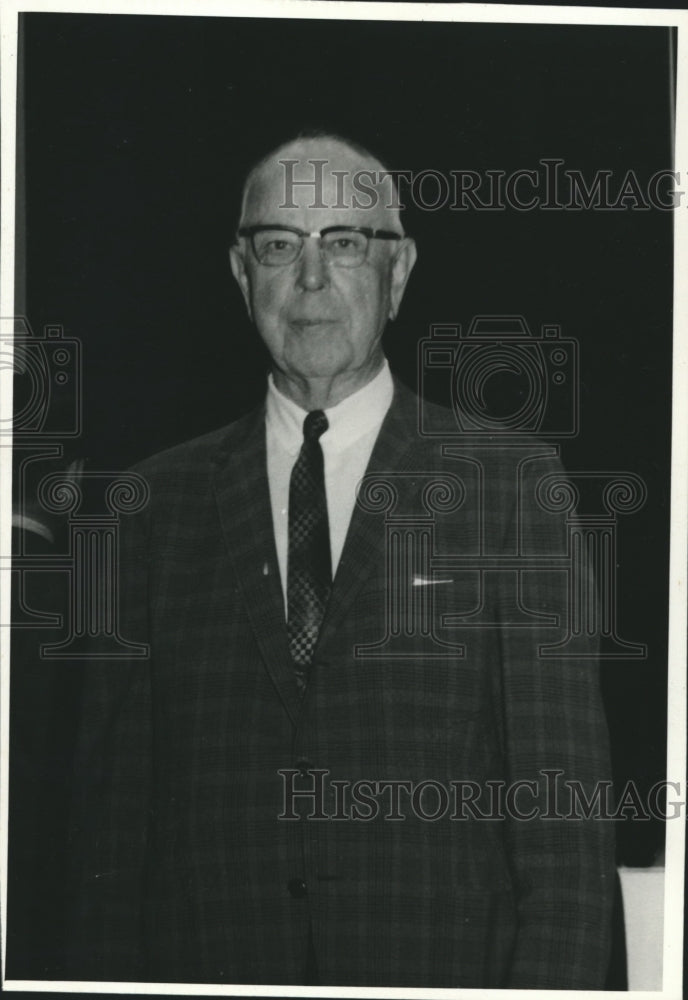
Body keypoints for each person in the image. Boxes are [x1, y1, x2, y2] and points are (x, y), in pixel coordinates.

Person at [68, 132, 615, 988]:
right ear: (242, 274)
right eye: (280, 245)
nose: (312, 280)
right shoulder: (148, 509)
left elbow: (564, 823)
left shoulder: (511, 488)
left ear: (398, 274)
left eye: (347, 243)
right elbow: (107, 847)